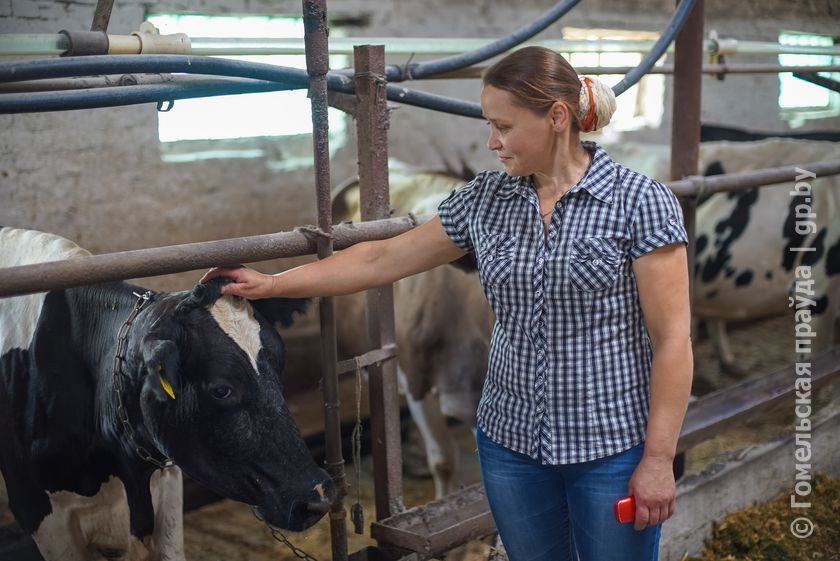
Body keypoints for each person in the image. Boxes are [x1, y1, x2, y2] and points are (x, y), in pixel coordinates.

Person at [201, 46, 693, 561]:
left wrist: (657, 459)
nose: (492, 142)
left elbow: (672, 341)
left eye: (504, 127)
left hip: (609, 446)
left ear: (557, 117)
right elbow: (382, 259)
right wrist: (273, 284)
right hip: (511, 442)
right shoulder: (487, 199)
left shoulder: (640, 203)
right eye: (489, 125)